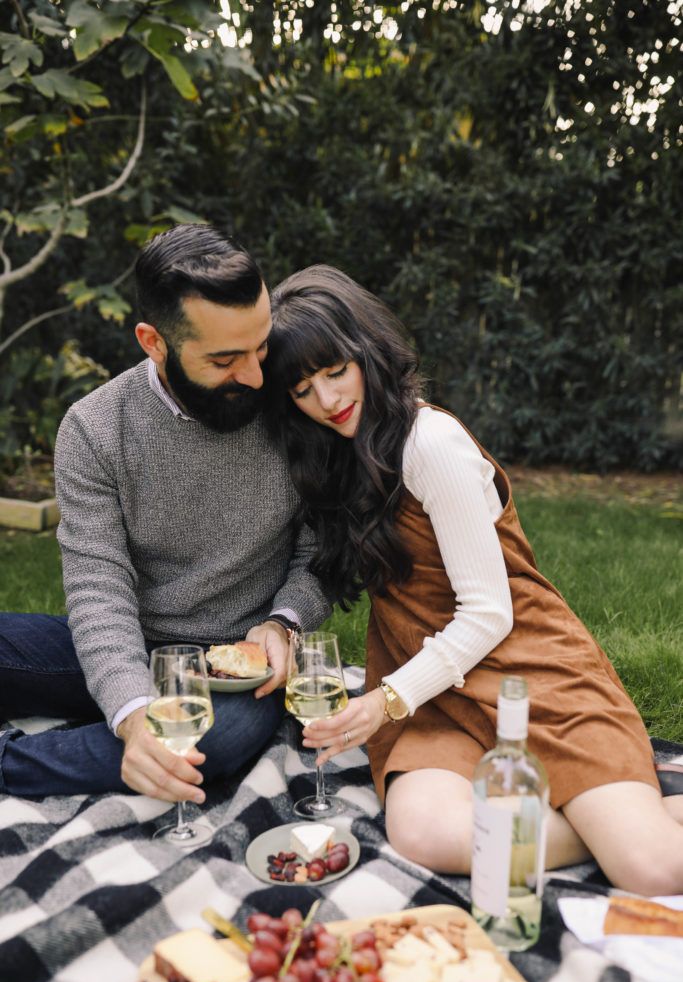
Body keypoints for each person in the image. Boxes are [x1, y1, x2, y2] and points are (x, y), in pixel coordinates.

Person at [264, 264, 683, 896]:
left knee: (654, 870)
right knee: (425, 835)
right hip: (437, 691)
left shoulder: (429, 441)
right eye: (302, 390)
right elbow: (319, 569)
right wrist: (277, 624)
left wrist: (382, 702)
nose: (327, 400)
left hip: (528, 673)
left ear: (367, 352)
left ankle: (628, 828)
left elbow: (490, 614)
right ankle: (612, 820)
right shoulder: (334, 456)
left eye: (335, 371)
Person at [0, 225, 329, 802]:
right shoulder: (94, 429)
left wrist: (284, 622)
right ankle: (122, 735)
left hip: (237, 670)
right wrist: (130, 712)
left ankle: (18, 764)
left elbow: (322, 552)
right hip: (129, 640)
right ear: (154, 341)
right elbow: (97, 588)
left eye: (261, 346)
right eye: (226, 358)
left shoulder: (295, 401)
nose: (256, 375)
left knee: (211, 744)